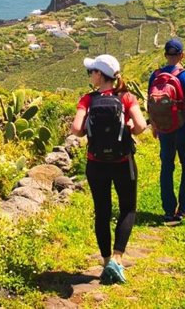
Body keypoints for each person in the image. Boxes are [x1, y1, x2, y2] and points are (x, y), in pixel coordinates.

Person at [71, 54, 147, 284]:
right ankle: (117, 258)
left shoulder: (87, 99)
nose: (90, 75)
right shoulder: (126, 97)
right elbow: (141, 125)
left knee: (102, 212)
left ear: (99, 75)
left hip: (96, 164)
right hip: (123, 162)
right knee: (128, 209)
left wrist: (88, 128)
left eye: (91, 72)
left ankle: (106, 263)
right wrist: (130, 128)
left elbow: (76, 129)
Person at [148, 38, 185, 225]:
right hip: (184, 130)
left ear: (165, 55)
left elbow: (151, 104)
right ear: (182, 55)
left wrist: (155, 126)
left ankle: (168, 211)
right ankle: (184, 209)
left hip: (164, 129)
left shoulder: (154, 76)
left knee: (166, 168)